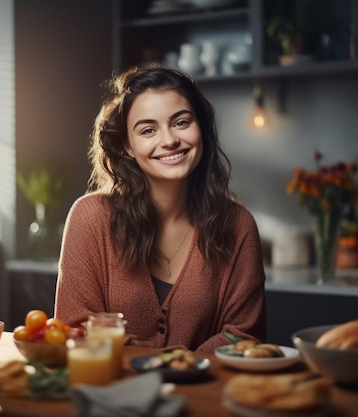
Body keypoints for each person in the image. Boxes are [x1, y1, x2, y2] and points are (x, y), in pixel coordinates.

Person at [54, 63, 266, 353]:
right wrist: (158, 363)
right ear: (127, 145)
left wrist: (182, 369)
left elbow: (243, 335)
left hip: (205, 395)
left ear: (201, 129)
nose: (169, 141)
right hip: (110, 393)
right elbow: (74, 329)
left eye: (181, 122)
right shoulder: (90, 218)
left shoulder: (238, 225)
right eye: (148, 130)